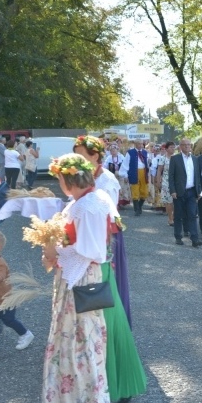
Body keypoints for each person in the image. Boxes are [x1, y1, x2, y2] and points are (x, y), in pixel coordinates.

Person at [42, 154, 146, 403]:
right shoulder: (89, 200)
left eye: (59, 179)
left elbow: (91, 251)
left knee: (76, 340)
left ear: (66, 179)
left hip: (83, 278)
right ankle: (105, 390)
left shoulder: (87, 205)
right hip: (91, 275)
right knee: (96, 335)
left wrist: (55, 252)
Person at [73, 135, 133, 329]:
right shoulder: (83, 177)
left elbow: (107, 213)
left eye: (81, 157)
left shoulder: (106, 180)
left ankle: (108, 326)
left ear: (96, 156)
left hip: (106, 235)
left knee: (103, 281)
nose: (78, 162)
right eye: (76, 157)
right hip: (87, 233)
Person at [169, 138, 202, 247]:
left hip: (192, 191)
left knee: (192, 215)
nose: (188, 146)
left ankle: (194, 239)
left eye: (189, 144)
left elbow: (197, 176)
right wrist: (173, 190)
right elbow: (171, 176)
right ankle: (178, 236)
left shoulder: (195, 159)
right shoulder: (175, 159)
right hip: (179, 192)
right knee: (178, 215)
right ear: (180, 146)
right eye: (185, 145)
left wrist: (199, 191)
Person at [121, 139, 149, 216]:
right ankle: (136, 209)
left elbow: (148, 163)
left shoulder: (145, 152)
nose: (140, 145)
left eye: (141, 144)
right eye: (139, 144)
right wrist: (125, 175)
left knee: (144, 192)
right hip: (134, 173)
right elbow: (125, 164)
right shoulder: (130, 153)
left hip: (143, 173)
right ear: (135, 144)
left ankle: (139, 206)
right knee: (135, 191)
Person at [104, 142, 130, 209]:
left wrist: (126, 175)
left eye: (114, 150)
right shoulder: (109, 158)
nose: (113, 152)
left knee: (121, 188)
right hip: (112, 176)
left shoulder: (121, 157)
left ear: (117, 150)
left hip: (120, 175)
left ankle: (121, 202)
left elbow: (125, 166)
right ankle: (115, 202)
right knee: (113, 188)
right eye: (111, 151)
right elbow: (105, 166)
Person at [158, 142, 175, 226]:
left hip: (175, 181)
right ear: (167, 148)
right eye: (171, 147)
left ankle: (175, 216)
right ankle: (170, 218)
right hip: (166, 181)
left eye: (174, 147)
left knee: (175, 200)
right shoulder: (163, 158)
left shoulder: (176, 158)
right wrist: (158, 181)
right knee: (168, 200)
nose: (173, 149)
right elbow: (159, 170)